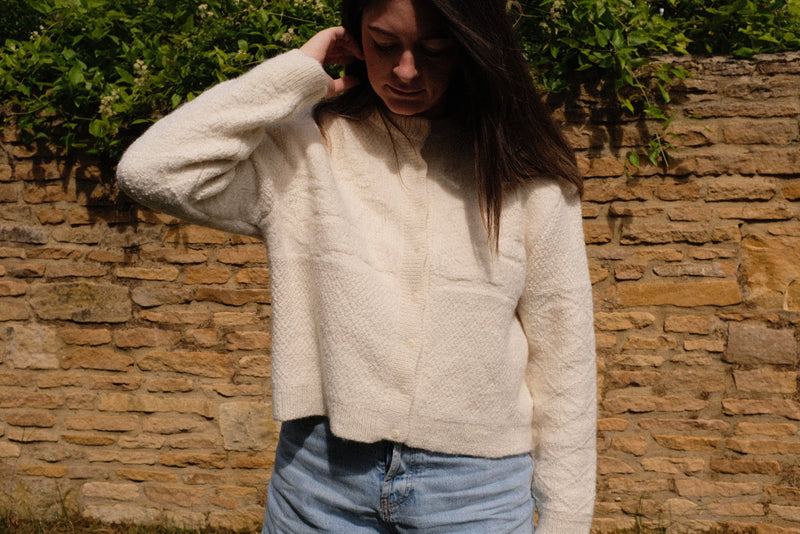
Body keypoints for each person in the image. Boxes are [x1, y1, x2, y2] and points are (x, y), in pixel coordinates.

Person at [116, 0, 597, 532]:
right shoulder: (306, 147)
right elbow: (150, 171)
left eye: (435, 49)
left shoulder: (526, 176)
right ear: (353, 36)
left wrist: (565, 520)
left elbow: (564, 360)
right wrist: (297, 73)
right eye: (383, 44)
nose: (406, 70)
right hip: (319, 480)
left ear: (474, 48)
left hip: (474, 491)